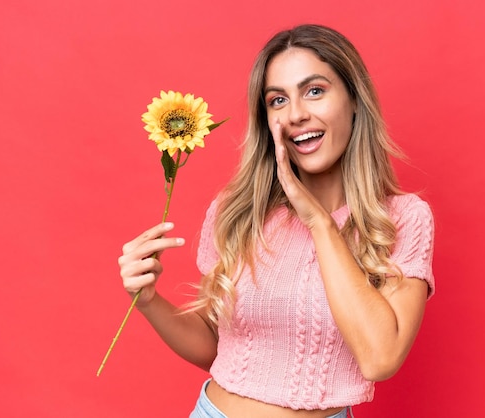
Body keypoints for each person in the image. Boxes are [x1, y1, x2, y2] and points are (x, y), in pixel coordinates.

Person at [119, 24, 435, 418]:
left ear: (355, 100)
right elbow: (217, 348)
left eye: (315, 91)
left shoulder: (403, 219)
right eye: (278, 100)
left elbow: (379, 358)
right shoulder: (236, 211)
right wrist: (149, 301)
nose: (297, 113)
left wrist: (319, 222)